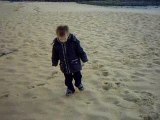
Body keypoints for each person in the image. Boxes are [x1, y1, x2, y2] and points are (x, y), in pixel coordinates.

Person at [51, 25, 88, 96]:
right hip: (64, 65)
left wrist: (84, 59)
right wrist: (54, 63)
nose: (63, 40)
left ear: (68, 35)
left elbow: (80, 51)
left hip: (75, 63)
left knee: (78, 76)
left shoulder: (74, 42)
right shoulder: (56, 44)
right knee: (68, 79)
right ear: (57, 36)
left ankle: (78, 84)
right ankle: (70, 88)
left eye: (64, 38)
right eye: (60, 39)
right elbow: (54, 55)